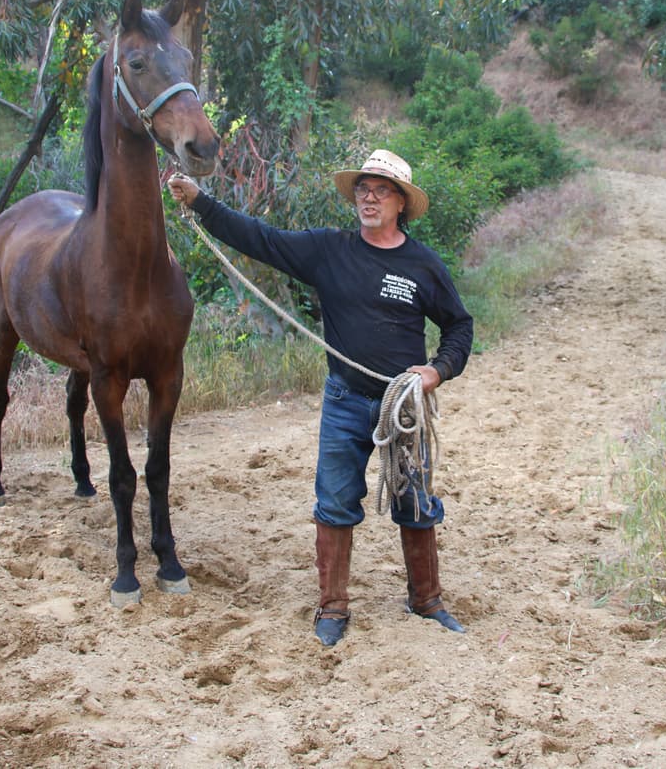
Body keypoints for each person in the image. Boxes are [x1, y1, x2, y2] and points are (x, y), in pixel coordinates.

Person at [168, 149, 474, 647]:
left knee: (415, 500)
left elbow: (460, 325)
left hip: (404, 406)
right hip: (345, 400)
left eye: (381, 190)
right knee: (333, 501)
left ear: (401, 204)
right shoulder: (328, 250)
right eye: (363, 189)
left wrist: (437, 371)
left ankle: (427, 600)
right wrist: (202, 202)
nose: (369, 198)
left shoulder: (423, 265)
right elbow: (259, 238)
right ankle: (332, 607)